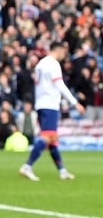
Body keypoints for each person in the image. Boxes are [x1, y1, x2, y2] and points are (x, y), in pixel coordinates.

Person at [19, 42, 85, 182]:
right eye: (64, 52)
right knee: (47, 137)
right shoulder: (53, 64)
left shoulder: (40, 65)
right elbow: (59, 84)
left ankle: (62, 170)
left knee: (52, 140)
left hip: (41, 103)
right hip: (50, 104)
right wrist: (75, 103)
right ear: (59, 50)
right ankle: (27, 166)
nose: (64, 55)